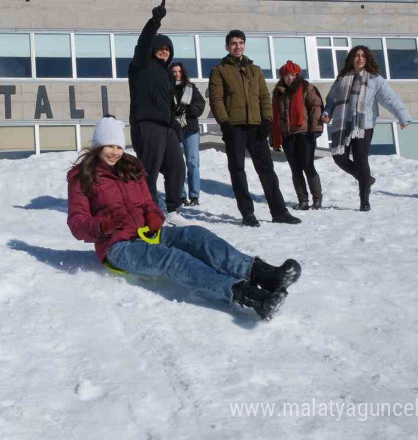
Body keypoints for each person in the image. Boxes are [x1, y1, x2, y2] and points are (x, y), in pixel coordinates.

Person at [67, 116, 302, 321]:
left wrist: (153, 215)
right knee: (173, 259)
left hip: (147, 234)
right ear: (98, 146)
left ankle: (264, 275)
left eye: (117, 146)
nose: (114, 152)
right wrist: (102, 225)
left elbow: (148, 202)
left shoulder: (130, 168)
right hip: (117, 246)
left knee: (197, 236)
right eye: (108, 146)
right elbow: (77, 223)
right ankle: (249, 296)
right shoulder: (83, 177)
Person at [209, 30, 301, 227]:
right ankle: (247, 213)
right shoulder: (219, 70)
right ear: (227, 47)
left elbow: (263, 98)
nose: (237, 46)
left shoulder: (255, 70)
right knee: (238, 170)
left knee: (267, 169)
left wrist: (266, 120)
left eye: (241, 42)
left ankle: (279, 211)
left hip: (256, 127)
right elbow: (216, 99)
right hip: (234, 127)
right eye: (233, 43)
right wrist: (224, 123)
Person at [323, 46, 412, 212]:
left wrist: (402, 116)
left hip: (364, 125)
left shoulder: (375, 79)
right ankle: (366, 179)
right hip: (342, 123)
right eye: (357, 55)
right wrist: (327, 112)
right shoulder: (342, 78)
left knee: (360, 159)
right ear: (352, 58)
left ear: (368, 58)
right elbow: (331, 99)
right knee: (339, 156)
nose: (360, 58)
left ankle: (364, 200)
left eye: (363, 56)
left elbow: (390, 99)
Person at [128, 0, 187, 224]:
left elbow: (170, 104)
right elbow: (142, 44)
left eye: (168, 49)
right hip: (146, 124)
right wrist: (154, 22)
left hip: (166, 126)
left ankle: (173, 210)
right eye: (161, 48)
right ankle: (149, 212)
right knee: (149, 171)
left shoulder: (168, 75)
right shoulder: (141, 64)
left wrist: (176, 129)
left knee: (177, 167)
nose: (164, 51)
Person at [271, 60, 324, 210]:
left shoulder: (306, 87)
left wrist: (315, 129)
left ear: (298, 75)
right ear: (282, 77)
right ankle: (303, 200)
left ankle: (317, 199)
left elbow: (316, 107)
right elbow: (274, 117)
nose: (290, 78)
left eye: (293, 75)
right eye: (287, 75)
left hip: (304, 133)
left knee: (308, 165)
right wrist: (274, 137)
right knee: (295, 169)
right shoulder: (278, 92)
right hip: (287, 135)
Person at [170, 62, 206, 207]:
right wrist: (174, 111)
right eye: (173, 71)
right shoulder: (167, 89)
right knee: (178, 164)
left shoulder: (191, 88)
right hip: (174, 129)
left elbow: (200, 104)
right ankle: (181, 195)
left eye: (179, 71)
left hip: (190, 129)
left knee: (193, 162)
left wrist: (187, 109)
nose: (177, 74)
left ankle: (194, 195)